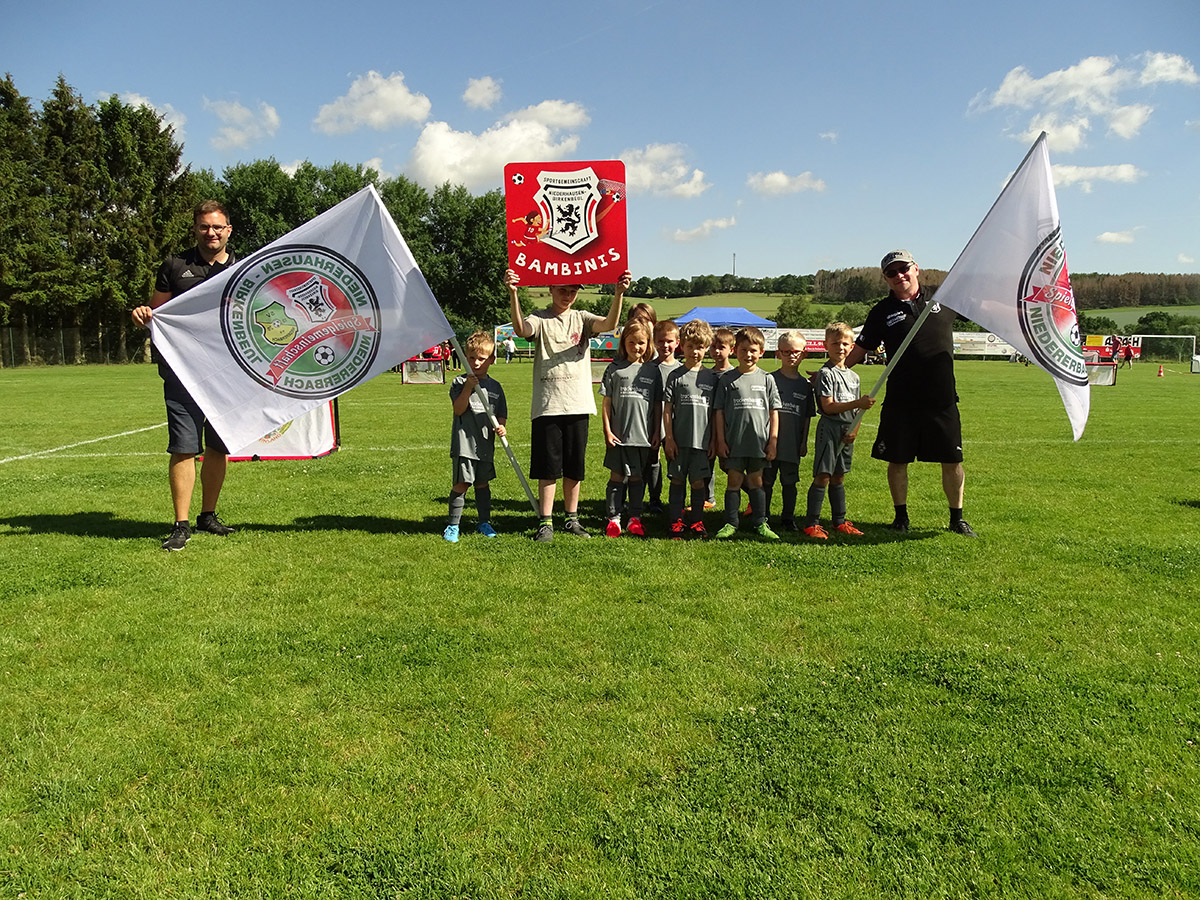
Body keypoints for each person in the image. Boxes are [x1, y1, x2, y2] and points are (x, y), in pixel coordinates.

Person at [130, 200, 238, 551]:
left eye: (218, 227)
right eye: (205, 227)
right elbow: (157, 312)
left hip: (227, 372)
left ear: (228, 231)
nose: (212, 233)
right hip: (182, 371)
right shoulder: (175, 265)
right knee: (183, 447)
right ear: (195, 229)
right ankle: (181, 524)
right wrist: (143, 313)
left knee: (218, 447)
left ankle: (208, 516)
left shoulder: (243, 267)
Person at [846, 249, 977, 536]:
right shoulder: (881, 311)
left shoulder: (945, 297)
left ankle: (957, 518)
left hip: (941, 399)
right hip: (901, 400)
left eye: (903, 269)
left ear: (916, 268)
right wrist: (832, 369)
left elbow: (982, 309)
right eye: (891, 273)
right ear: (885, 279)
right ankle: (900, 517)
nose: (899, 276)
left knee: (952, 460)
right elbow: (861, 348)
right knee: (898, 460)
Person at [504, 267, 631, 542]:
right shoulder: (540, 318)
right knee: (548, 468)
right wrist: (514, 294)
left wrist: (619, 293)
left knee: (574, 468)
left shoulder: (582, 318)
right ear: (550, 288)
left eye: (573, 291)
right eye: (563, 289)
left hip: (578, 404)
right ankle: (546, 522)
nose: (568, 295)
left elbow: (608, 325)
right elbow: (521, 329)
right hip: (548, 406)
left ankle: (572, 519)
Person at [803, 323, 875, 538]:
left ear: (852, 347)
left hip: (847, 430)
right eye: (835, 343)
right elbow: (828, 406)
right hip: (830, 429)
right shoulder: (825, 374)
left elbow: (858, 412)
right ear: (826, 345)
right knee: (823, 476)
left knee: (839, 476)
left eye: (845, 344)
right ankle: (811, 523)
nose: (840, 347)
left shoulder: (854, 377)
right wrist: (857, 404)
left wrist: (855, 430)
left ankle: (840, 521)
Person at [712, 326, 781, 540]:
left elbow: (774, 412)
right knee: (733, 482)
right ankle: (731, 522)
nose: (748, 355)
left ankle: (760, 522)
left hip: (758, 444)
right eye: (743, 350)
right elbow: (719, 413)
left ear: (761, 352)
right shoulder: (727, 379)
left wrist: (773, 442)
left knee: (756, 483)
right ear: (735, 351)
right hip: (734, 443)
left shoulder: (767, 379)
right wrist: (721, 441)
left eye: (753, 350)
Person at [444, 332, 508, 542]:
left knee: (482, 484)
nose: (476, 363)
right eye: (472, 358)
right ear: (465, 356)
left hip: (485, 446)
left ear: (491, 360)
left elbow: (501, 415)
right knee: (462, 484)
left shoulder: (496, 387)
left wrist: (501, 428)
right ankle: (453, 526)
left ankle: (484, 522)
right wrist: (469, 388)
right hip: (464, 444)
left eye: (482, 359)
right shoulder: (459, 382)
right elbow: (459, 409)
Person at [600, 320, 660, 537]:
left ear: (648, 344)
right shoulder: (614, 369)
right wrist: (607, 429)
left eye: (641, 343)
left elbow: (656, 404)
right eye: (631, 342)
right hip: (618, 436)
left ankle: (635, 518)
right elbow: (606, 402)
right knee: (616, 477)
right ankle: (614, 519)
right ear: (623, 343)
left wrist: (656, 432)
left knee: (636, 478)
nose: (636, 347)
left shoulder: (652, 371)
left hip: (642, 436)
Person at [663, 319, 718, 539]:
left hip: (702, 443)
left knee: (698, 483)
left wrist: (714, 440)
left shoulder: (712, 378)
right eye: (690, 346)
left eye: (700, 347)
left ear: (706, 348)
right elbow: (667, 410)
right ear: (681, 346)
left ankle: (696, 522)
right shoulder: (675, 376)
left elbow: (716, 413)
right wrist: (669, 438)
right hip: (679, 441)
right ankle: (676, 522)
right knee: (677, 481)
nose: (695, 351)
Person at [763, 330, 814, 531]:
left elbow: (808, 416)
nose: (791, 356)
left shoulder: (805, 386)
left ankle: (787, 518)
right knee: (766, 481)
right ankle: (763, 516)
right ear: (778, 354)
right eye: (786, 352)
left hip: (792, 443)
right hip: (769, 442)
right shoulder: (769, 379)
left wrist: (803, 442)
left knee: (790, 482)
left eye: (796, 352)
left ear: (804, 354)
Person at [645, 319, 681, 513]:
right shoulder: (648, 368)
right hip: (653, 425)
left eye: (669, 341)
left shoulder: (682, 368)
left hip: (677, 426)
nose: (665, 345)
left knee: (677, 464)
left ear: (677, 342)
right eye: (660, 341)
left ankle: (678, 502)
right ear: (654, 342)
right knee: (652, 461)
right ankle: (654, 499)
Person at [703, 327, 737, 510]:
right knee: (706, 464)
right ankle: (709, 499)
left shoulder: (734, 375)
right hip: (707, 427)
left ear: (731, 349)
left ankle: (753, 494)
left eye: (721, 347)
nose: (716, 351)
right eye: (713, 347)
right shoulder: (706, 374)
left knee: (728, 466)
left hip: (728, 429)